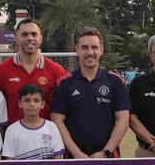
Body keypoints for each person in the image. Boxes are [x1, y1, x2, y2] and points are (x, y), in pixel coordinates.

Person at [51, 28, 130, 158]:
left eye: (94, 47)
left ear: (101, 50)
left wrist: (105, 152)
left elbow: (123, 120)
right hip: (74, 158)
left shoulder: (115, 81)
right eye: (84, 47)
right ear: (76, 49)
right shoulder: (64, 83)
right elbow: (57, 121)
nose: (90, 52)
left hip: (108, 157)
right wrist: (77, 154)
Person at [0, 17, 68, 125]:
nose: (30, 38)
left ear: (40, 39)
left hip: (46, 139)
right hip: (13, 138)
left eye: (34, 34)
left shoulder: (57, 71)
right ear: (16, 39)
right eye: (24, 34)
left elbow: (63, 110)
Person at [2, 83, 65, 160]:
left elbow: (58, 159)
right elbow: (9, 162)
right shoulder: (12, 130)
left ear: (42, 104)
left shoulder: (51, 127)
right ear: (20, 103)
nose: (32, 104)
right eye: (27, 100)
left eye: (36, 100)